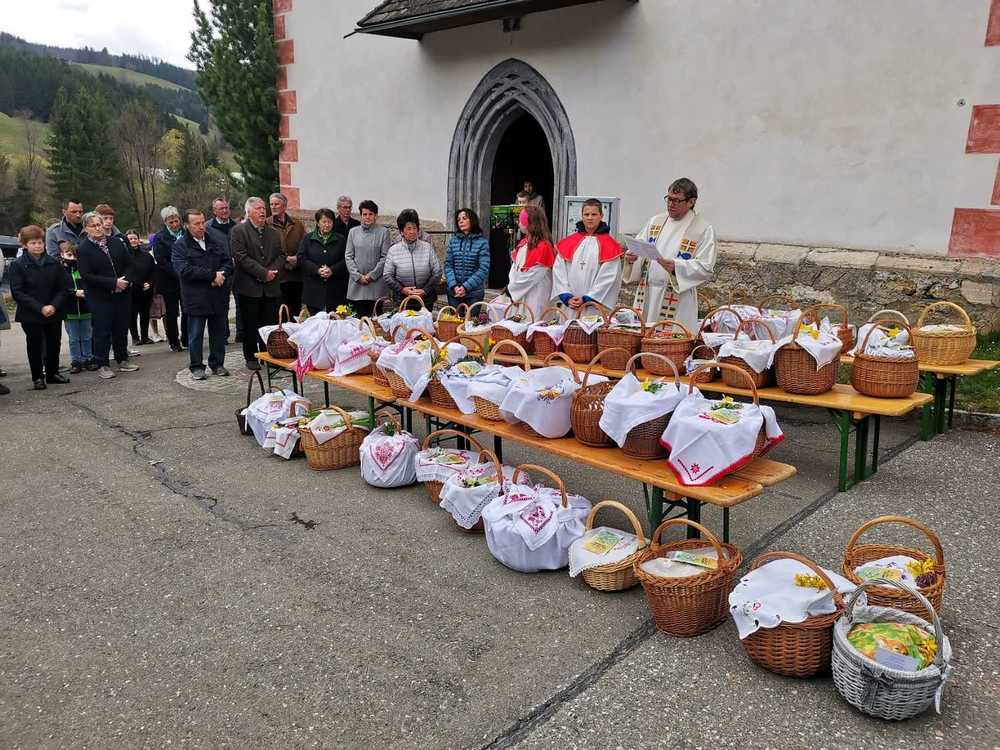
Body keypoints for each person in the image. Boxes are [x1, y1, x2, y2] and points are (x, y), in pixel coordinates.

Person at [625, 178, 717, 330]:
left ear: (691, 202)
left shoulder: (702, 229)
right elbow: (641, 247)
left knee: (671, 342)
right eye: (668, 199)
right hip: (647, 294)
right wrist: (632, 258)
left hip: (677, 299)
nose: (670, 204)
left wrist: (676, 267)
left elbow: (705, 267)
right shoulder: (655, 221)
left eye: (676, 200)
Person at [172, 209, 234, 380]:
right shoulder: (180, 245)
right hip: (196, 298)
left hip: (218, 295)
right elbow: (184, 270)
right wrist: (212, 276)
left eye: (202, 222)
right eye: (196, 224)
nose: (201, 227)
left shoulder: (214, 240)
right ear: (187, 225)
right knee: (196, 334)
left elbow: (228, 262)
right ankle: (197, 367)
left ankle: (217, 364)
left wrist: (222, 274)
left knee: (218, 333)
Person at [77, 211, 137, 379]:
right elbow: (87, 275)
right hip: (100, 297)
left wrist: (126, 280)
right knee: (102, 330)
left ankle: (122, 359)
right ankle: (102, 363)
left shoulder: (116, 242)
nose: (97, 228)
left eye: (99, 224)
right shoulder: (83, 249)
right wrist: (113, 283)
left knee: (121, 327)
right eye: (93, 226)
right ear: (86, 229)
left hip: (122, 293)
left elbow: (130, 264)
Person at [8, 225, 70, 389]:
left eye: (40, 242)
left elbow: (64, 288)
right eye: (33, 243)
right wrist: (39, 307)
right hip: (31, 313)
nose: (37, 246)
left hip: (53, 310)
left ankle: (52, 373)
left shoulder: (54, 263)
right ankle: (37, 377)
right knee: (34, 345)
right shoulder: (18, 265)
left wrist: (53, 306)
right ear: (25, 245)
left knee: (54, 343)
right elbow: (18, 292)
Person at [231, 196, 283, 371]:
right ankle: (251, 356)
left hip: (270, 286)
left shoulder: (273, 232)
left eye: (263, 208)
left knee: (269, 324)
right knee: (250, 324)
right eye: (258, 208)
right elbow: (241, 257)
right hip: (249, 286)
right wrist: (262, 273)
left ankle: (268, 355)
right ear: (249, 212)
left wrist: (271, 272)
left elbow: (281, 255)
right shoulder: (239, 231)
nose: (262, 211)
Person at [553, 198, 623, 310]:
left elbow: (609, 277)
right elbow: (559, 271)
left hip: (594, 307)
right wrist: (567, 297)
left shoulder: (610, 245)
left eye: (594, 214)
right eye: (586, 214)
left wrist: (587, 298)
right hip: (570, 306)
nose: (590, 218)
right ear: (582, 216)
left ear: (601, 216)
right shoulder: (568, 242)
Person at [383, 208, 440, 309]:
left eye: (414, 228)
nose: (412, 231)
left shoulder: (427, 247)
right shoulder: (393, 250)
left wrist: (425, 290)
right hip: (403, 300)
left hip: (426, 300)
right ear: (401, 231)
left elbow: (437, 272)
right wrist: (402, 289)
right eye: (408, 228)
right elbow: (387, 275)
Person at [506, 205, 556, 320]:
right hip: (520, 293)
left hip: (536, 294)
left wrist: (513, 290)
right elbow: (515, 268)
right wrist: (512, 286)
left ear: (530, 223)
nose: (518, 223)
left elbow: (533, 276)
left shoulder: (544, 247)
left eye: (521, 220)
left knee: (534, 320)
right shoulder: (523, 243)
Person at [297, 208, 348, 315]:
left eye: (330, 222)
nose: (327, 225)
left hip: (335, 289)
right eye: (324, 222)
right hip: (314, 289)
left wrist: (332, 270)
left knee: (335, 320)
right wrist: (317, 270)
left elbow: (346, 259)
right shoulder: (308, 239)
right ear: (317, 223)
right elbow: (301, 258)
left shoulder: (341, 239)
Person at [344, 199, 390, 318]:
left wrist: (371, 276)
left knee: (375, 321)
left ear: (375, 216)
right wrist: (358, 276)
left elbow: (385, 257)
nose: (367, 217)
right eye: (364, 214)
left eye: (370, 214)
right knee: (357, 321)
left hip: (376, 284)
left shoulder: (383, 232)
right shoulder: (353, 232)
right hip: (357, 284)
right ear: (361, 215)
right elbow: (348, 256)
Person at [153, 206, 188, 352]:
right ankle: (173, 340)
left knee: (187, 309)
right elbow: (161, 260)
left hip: (186, 278)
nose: (174, 224)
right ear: (165, 222)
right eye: (170, 222)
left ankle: (186, 337)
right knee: (172, 312)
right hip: (169, 280)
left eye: (176, 221)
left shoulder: (186, 233)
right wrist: (177, 272)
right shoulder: (160, 237)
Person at [208, 196, 241, 342]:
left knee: (240, 302)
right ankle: (223, 334)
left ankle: (241, 333)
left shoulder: (236, 226)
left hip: (238, 269)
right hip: (221, 270)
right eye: (221, 208)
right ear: (214, 211)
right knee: (222, 303)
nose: (225, 211)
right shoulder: (208, 228)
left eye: (226, 208)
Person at [267, 192, 306, 316]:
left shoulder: (297, 224)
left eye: (276, 204)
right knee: (280, 313)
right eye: (271, 204)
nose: (273, 207)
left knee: (295, 313)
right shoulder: (267, 224)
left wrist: (297, 258)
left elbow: (305, 244)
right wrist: (285, 259)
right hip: (278, 276)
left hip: (296, 276)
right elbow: (267, 249)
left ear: (284, 206)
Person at [59, 240, 95, 373]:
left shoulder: (83, 270)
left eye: (74, 255)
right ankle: (76, 361)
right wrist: (74, 292)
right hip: (70, 310)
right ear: (61, 254)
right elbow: (60, 289)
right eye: (69, 255)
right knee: (74, 339)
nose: (72, 258)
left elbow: (90, 284)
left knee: (87, 337)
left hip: (86, 309)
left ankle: (88, 359)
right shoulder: (60, 271)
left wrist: (87, 292)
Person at [444, 208, 490, 308]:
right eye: (458, 219)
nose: (461, 221)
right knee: (455, 318)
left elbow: (483, 269)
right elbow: (448, 265)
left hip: (474, 293)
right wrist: (454, 286)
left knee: (472, 318)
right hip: (454, 293)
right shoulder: (453, 241)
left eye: (464, 218)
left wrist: (465, 287)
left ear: (472, 220)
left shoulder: (482, 243)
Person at [125, 229, 155, 346]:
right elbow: (126, 273)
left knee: (145, 314)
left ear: (139, 240)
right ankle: (135, 337)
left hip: (146, 290)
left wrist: (150, 283)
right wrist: (138, 283)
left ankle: (145, 336)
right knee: (131, 315)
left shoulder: (147, 256)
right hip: (131, 290)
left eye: (135, 238)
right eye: (130, 239)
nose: (133, 240)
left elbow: (153, 272)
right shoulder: (124, 257)